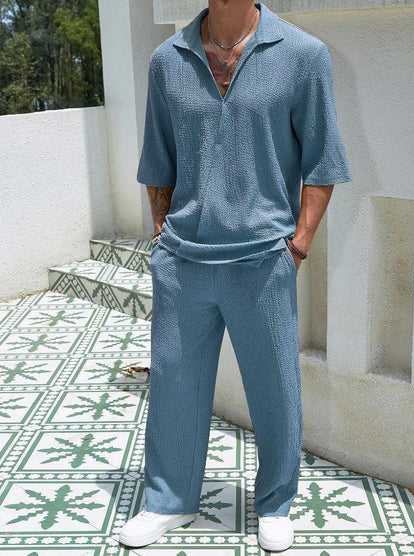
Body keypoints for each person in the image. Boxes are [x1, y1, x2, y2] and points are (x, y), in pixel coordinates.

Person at [119, 0, 352, 551]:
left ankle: (275, 505)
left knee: (275, 391)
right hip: (183, 260)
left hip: (263, 261)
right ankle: (168, 500)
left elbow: (323, 161)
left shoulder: (303, 54)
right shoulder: (168, 60)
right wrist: (162, 229)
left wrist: (298, 245)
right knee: (174, 386)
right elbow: (158, 156)